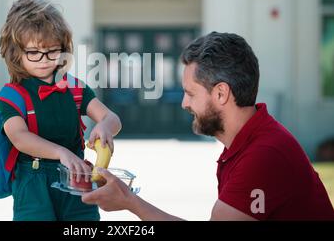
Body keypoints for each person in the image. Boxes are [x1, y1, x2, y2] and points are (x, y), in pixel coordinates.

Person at [82, 32, 334, 221]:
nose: (183, 103)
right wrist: (130, 200)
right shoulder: (248, 141)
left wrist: (130, 202)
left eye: (190, 93)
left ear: (221, 93)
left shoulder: (264, 154)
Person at [0, 0, 121, 221]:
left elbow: (112, 118)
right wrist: (61, 152)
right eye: (33, 53)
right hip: (33, 184)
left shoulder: (74, 88)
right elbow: (20, 138)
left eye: (52, 51)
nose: (44, 60)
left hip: (78, 178)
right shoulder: (12, 95)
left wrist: (104, 126)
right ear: (16, 53)